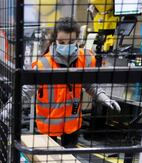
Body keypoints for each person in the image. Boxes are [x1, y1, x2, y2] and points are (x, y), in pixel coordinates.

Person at [32, 17, 121, 148]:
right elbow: (26, 88)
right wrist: (10, 107)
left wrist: (104, 98)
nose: (66, 46)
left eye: (71, 41)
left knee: (70, 161)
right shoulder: (44, 64)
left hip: (71, 123)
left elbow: (89, 84)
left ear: (77, 41)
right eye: (62, 41)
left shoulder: (85, 59)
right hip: (48, 124)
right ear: (55, 40)